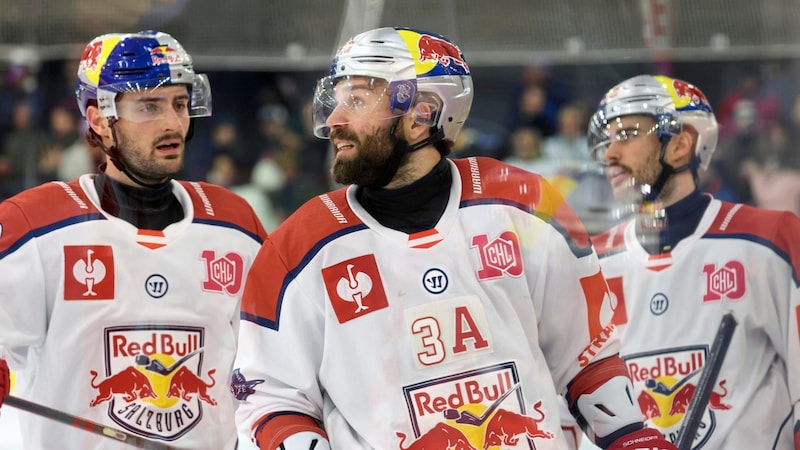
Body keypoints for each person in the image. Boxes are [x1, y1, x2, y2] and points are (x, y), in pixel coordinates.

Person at [232, 27, 676, 450]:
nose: (335, 119)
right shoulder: (297, 248)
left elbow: (586, 353)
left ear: (423, 113)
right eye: (336, 100)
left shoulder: (527, 204)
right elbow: (270, 397)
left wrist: (627, 434)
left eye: (359, 100)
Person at [0, 30, 268, 449]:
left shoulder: (235, 227)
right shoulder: (33, 227)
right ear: (99, 119)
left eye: (180, 104)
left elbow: (276, 364)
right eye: (149, 106)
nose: (173, 123)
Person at [565, 74, 799, 449]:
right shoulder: (591, 265)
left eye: (625, 135)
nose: (610, 153)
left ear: (680, 145)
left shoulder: (768, 240)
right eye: (607, 140)